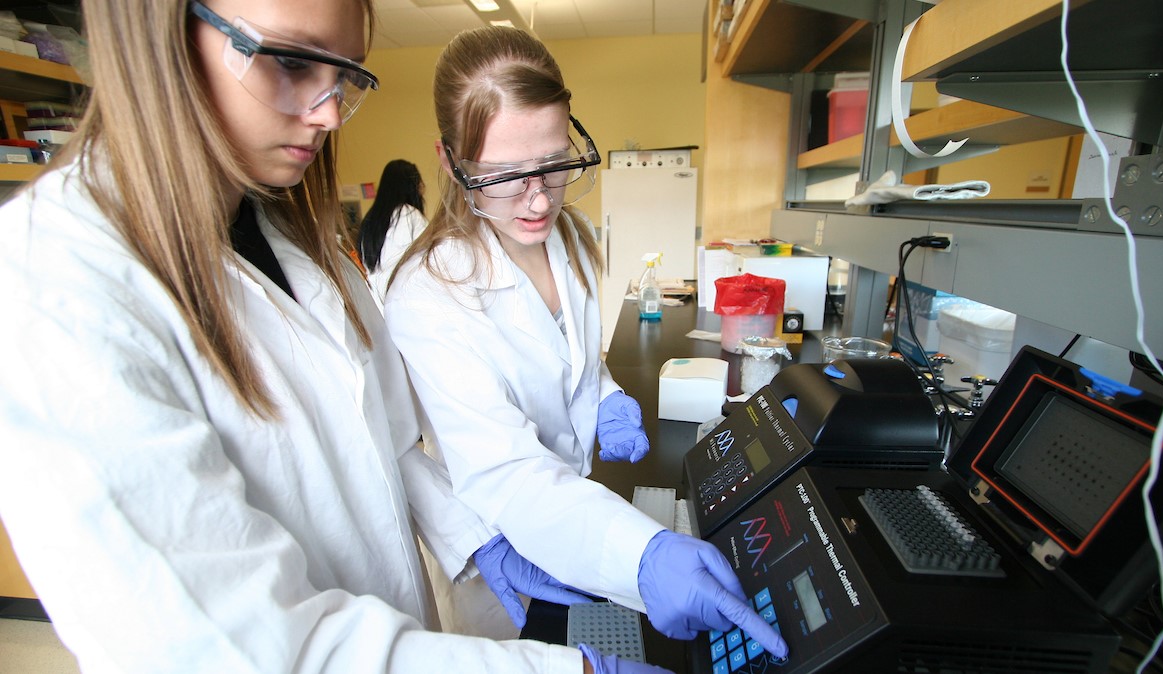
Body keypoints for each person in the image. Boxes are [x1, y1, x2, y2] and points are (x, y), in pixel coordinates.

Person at [0, 2, 668, 672]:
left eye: (344, 74)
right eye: (291, 61)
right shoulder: (52, 286)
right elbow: (239, 649)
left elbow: (389, 443)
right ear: (160, 26)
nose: (327, 112)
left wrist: (475, 539)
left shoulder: (291, 235)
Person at [383, 25, 789, 660]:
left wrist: (605, 394)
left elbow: (573, 360)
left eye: (553, 162)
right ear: (450, 162)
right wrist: (642, 554)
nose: (539, 197)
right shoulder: (429, 292)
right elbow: (507, 471)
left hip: (577, 507)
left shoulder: (566, 238)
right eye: (506, 175)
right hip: (504, 546)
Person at [357, 158, 428, 304]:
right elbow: (426, 260)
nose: (422, 187)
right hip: (402, 300)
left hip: (375, 300)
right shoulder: (408, 214)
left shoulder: (370, 219)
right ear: (411, 186)